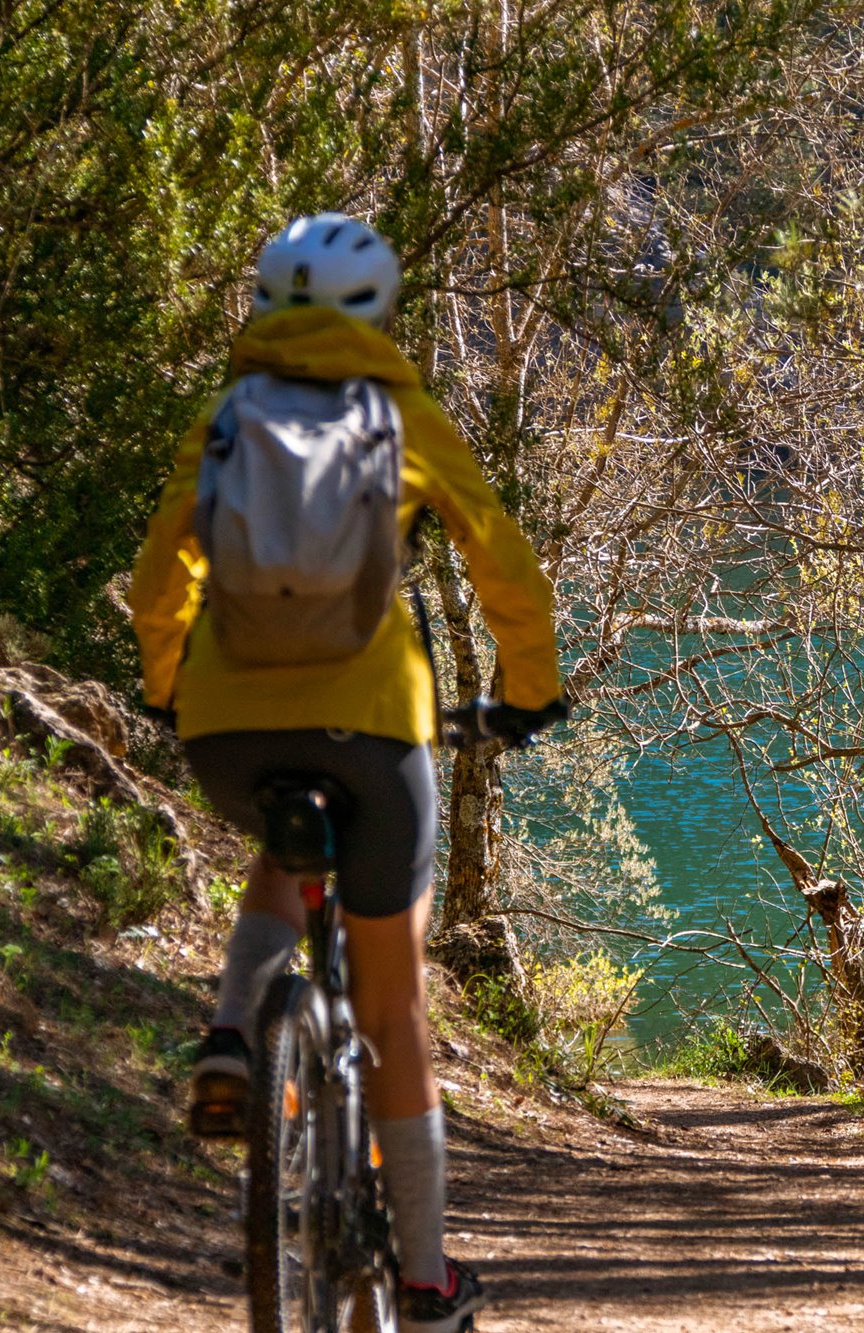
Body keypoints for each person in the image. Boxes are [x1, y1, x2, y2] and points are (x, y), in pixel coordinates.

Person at [128, 212, 565, 1333]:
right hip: (374, 724)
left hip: (229, 730)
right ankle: (424, 1285)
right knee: (392, 996)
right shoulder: (400, 416)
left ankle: (232, 1032)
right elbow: (499, 558)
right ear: (383, 310)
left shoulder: (229, 415)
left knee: (280, 850)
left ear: (268, 304)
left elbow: (160, 568)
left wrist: (170, 682)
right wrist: (527, 690)